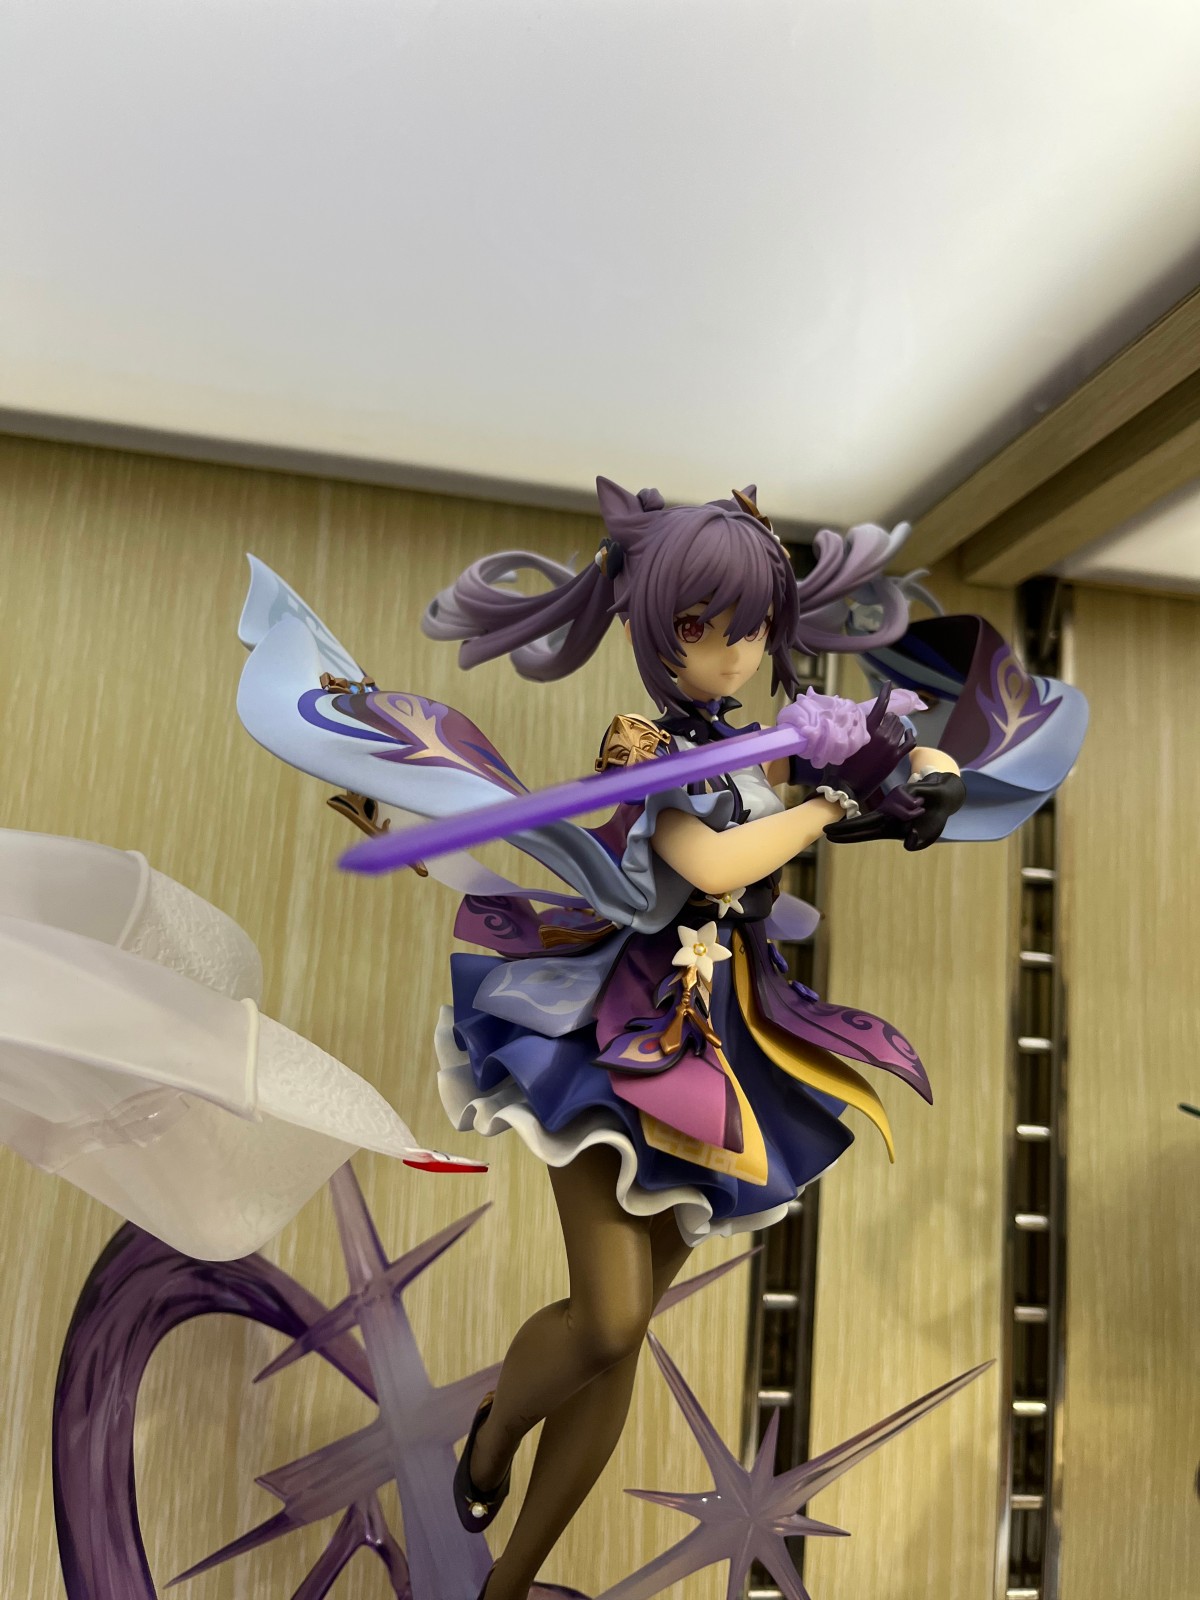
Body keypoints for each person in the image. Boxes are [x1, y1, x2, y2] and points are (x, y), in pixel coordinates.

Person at [236, 477, 1084, 1600]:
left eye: (751, 628)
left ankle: (509, 1581)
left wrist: (922, 781)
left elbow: (898, 757)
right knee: (610, 1318)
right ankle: (492, 1434)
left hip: (729, 1040)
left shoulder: (768, 740)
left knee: (622, 1346)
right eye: (701, 627)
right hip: (617, 1032)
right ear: (656, 628)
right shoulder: (644, 744)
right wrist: (830, 804)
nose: (732, 652)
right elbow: (714, 862)